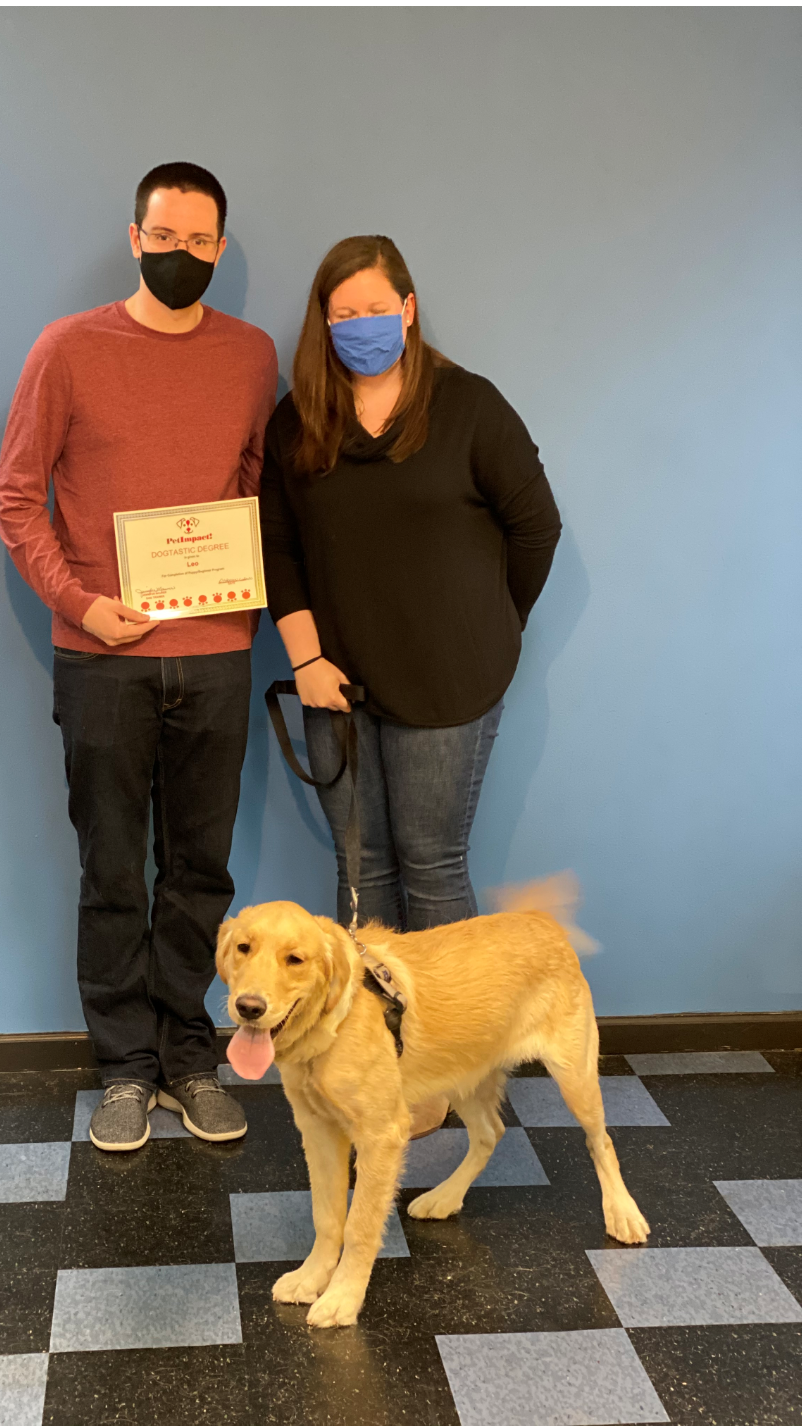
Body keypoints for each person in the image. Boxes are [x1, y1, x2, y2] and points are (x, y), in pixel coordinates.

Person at [0, 162, 278, 1152]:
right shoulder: (68, 349)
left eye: (202, 242)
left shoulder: (251, 356)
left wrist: (238, 605)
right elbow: (18, 500)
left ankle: (189, 1056)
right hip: (101, 658)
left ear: (220, 248)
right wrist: (79, 601)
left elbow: (250, 493)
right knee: (113, 866)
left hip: (217, 657)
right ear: (134, 237)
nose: (182, 256)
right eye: (166, 238)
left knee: (200, 871)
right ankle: (123, 1066)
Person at [260, 235, 561, 1134]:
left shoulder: (469, 406)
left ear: (410, 307)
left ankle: (442, 1071)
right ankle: (370, 1059)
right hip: (336, 689)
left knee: (432, 874)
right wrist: (306, 660)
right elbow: (277, 548)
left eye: (373, 309)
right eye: (340, 313)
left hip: (450, 687)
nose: (359, 327)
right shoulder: (298, 420)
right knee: (363, 874)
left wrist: (485, 627)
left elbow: (535, 528)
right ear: (324, 321)